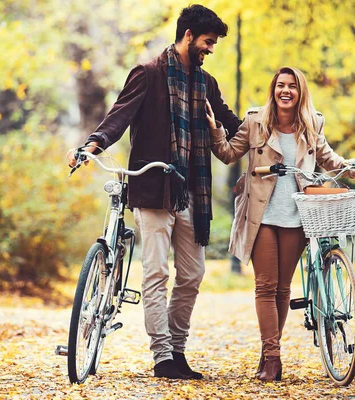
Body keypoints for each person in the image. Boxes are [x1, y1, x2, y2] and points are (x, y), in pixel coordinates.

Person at [66, 5, 240, 380]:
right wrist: (90, 146)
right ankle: (163, 357)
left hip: (193, 190)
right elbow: (119, 116)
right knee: (156, 271)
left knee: (192, 274)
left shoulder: (206, 84)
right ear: (189, 35)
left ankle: (178, 349)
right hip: (153, 187)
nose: (211, 50)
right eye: (208, 42)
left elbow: (233, 123)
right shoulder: (148, 73)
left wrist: (275, 129)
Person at [205, 66, 355, 382]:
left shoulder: (312, 124)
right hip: (262, 214)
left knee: (283, 288)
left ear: (300, 92)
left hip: (297, 215)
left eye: (292, 86)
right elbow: (227, 154)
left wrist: (350, 166)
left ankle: (270, 350)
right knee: (265, 286)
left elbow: (328, 159)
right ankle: (273, 359)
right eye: (280, 85)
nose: (286, 91)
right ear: (274, 89)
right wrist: (215, 129)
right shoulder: (255, 122)